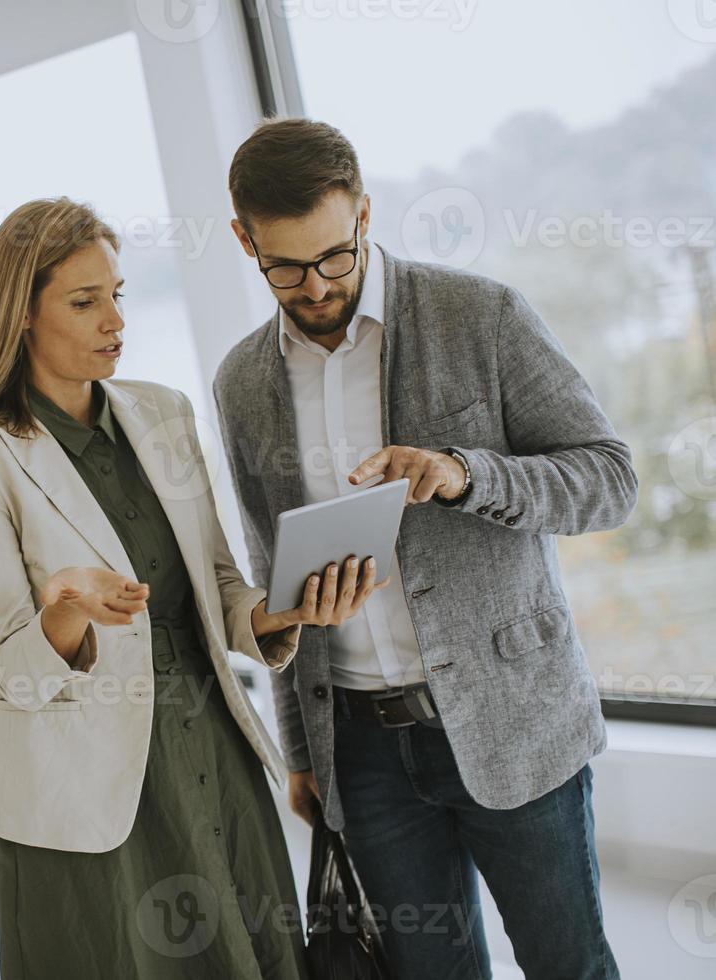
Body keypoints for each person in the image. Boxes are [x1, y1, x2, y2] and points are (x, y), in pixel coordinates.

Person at [214, 118, 634, 978]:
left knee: (569, 965)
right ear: (242, 239)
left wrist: (464, 473)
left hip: (514, 722)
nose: (317, 284)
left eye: (335, 255)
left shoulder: (480, 314)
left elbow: (608, 479)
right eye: (285, 267)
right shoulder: (242, 382)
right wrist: (305, 752)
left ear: (365, 215)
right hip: (362, 756)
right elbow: (272, 570)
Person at [0, 197, 380, 978]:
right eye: (84, 301)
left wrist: (282, 611)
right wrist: (65, 609)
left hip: (210, 744)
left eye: (117, 294)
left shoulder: (161, 414)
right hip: (93, 787)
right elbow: (11, 666)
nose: (115, 320)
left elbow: (215, 583)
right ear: (22, 315)